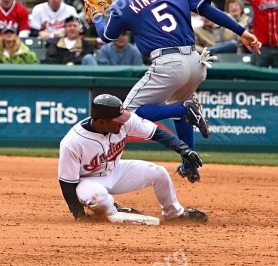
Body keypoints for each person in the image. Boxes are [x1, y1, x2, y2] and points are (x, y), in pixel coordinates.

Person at [91, 0, 262, 182]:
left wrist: (97, 17)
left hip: (168, 63)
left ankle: (185, 109)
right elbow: (211, 12)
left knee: (128, 115)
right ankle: (190, 162)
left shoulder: (125, 3)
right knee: (178, 107)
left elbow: (107, 36)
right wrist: (242, 32)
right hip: (196, 61)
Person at [58, 94, 208, 222]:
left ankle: (175, 213)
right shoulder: (73, 142)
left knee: (159, 173)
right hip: (87, 181)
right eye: (118, 120)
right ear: (101, 121)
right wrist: (79, 215)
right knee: (100, 200)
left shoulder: (124, 121)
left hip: (115, 170)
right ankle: (115, 212)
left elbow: (157, 133)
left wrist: (184, 150)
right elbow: (66, 182)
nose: (123, 122)